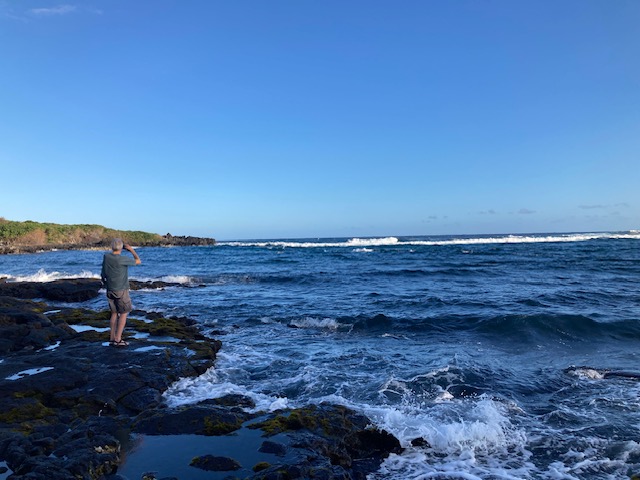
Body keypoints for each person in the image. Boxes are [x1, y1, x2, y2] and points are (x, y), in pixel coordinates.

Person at [101, 238, 141, 346]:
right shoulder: (122, 259)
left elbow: (103, 273)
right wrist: (132, 250)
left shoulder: (106, 257)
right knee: (123, 313)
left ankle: (112, 337)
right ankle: (118, 339)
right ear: (121, 248)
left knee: (114, 313)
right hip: (121, 290)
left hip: (110, 289)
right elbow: (138, 261)